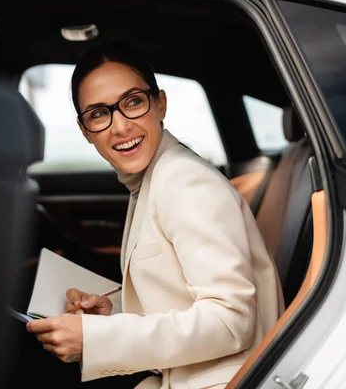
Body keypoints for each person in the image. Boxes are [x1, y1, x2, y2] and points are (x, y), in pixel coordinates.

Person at [26, 41, 285, 388]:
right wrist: (110, 315)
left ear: (160, 104)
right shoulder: (153, 178)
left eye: (133, 102)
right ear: (86, 131)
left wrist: (97, 339)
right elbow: (181, 298)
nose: (119, 127)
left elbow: (229, 322)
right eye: (99, 113)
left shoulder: (186, 182)